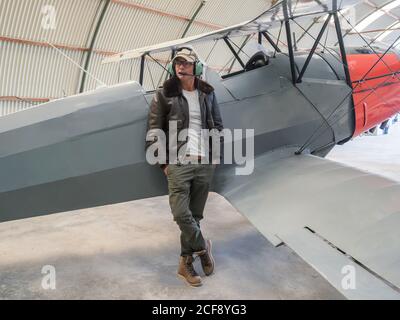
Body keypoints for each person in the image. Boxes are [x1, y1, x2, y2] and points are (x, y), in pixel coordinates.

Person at [145, 47, 224, 287]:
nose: (181, 66)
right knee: (181, 214)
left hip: (204, 163)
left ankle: (185, 264)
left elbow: (218, 125)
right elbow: (154, 131)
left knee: (195, 216)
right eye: (178, 62)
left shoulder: (208, 93)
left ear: (196, 67)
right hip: (179, 163)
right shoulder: (164, 94)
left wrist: (215, 156)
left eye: (186, 63)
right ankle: (203, 249)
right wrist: (164, 164)